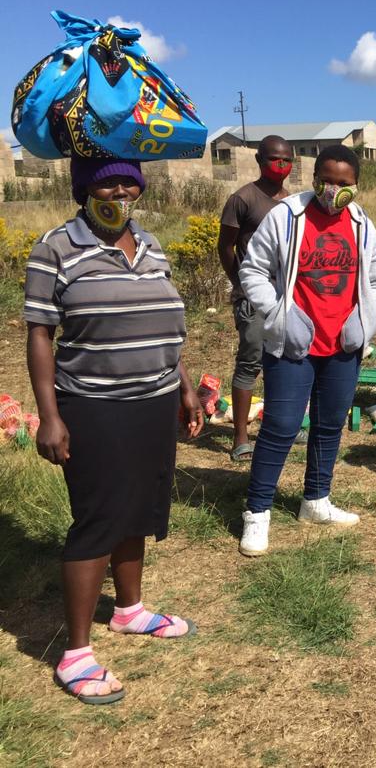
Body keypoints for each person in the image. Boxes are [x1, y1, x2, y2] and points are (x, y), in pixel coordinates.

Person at [24, 157, 203, 705]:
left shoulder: (151, 245)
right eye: (107, 181)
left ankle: (129, 610)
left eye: (129, 181)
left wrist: (185, 385)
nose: (120, 190)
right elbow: (39, 336)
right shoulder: (54, 247)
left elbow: (163, 323)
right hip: (93, 405)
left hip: (154, 401)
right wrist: (50, 416)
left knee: (142, 508)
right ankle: (74, 653)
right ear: (84, 189)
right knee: (99, 516)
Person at [237, 144, 376, 556]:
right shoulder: (286, 217)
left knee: (329, 423)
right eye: (326, 180)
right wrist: (278, 315)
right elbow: (253, 270)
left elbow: (374, 277)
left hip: (343, 344)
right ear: (313, 176)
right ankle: (257, 512)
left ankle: (316, 500)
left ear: (356, 185)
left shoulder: (361, 223)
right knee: (282, 424)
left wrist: (365, 319)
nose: (333, 190)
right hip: (293, 342)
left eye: (344, 183)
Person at [218, 135, 295, 461]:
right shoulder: (243, 199)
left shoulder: (292, 201)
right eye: (275, 159)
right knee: (250, 362)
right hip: (253, 297)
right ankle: (240, 438)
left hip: (286, 298)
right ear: (260, 161)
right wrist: (241, 284)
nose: (282, 165)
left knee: (287, 361)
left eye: (287, 159)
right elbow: (225, 247)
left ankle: (283, 426)